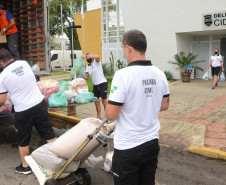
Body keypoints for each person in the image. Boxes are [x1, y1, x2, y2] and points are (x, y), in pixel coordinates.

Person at [105, 30, 170, 185]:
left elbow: (111, 115)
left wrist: (109, 99)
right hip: (152, 143)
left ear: (128, 49)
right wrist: (145, 105)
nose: (123, 52)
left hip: (128, 147)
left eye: (122, 48)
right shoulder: (159, 74)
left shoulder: (122, 75)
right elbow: (165, 105)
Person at [0, 48, 56, 175]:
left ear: (1, 62)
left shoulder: (2, 76)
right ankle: (60, 160)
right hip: (39, 104)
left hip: (23, 110)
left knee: (23, 139)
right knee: (49, 134)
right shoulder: (24, 63)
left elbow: (1, 101)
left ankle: (25, 166)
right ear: (11, 56)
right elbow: (23, 84)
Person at [81, 53, 108, 119]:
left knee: (104, 101)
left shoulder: (97, 62)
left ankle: (107, 117)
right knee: (96, 102)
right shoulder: (88, 66)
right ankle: (99, 117)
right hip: (95, 85)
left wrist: (86, 56)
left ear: (91, 57)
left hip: (102, 83)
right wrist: (81, 77)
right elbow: (87, 77)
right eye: (86, 59)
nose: (87, 59)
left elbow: (97, 56)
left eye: (88, 58)